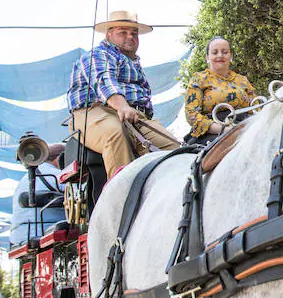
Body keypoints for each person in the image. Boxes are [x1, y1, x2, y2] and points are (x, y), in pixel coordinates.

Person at [67, 10, 180, 179]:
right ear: (109, 34)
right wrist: (122, 106)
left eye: (134, 33)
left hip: (133, 115)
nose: (130, 37)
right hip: (92, 111)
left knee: (176, 150)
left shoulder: (133, 63)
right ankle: (122, 197)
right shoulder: (98, 54)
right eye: (123, 32)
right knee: (114, 134)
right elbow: (104, 80)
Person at [184, 36, 257, 145]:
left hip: (245, 130)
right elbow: (192, 115)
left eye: (224, 52)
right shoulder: (199, 79)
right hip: (212, 135)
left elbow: (257, 109)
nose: (220, 55)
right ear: (207, 57)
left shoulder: (243, 80)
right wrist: (225, 130)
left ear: (230, 56)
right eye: (215, 52)